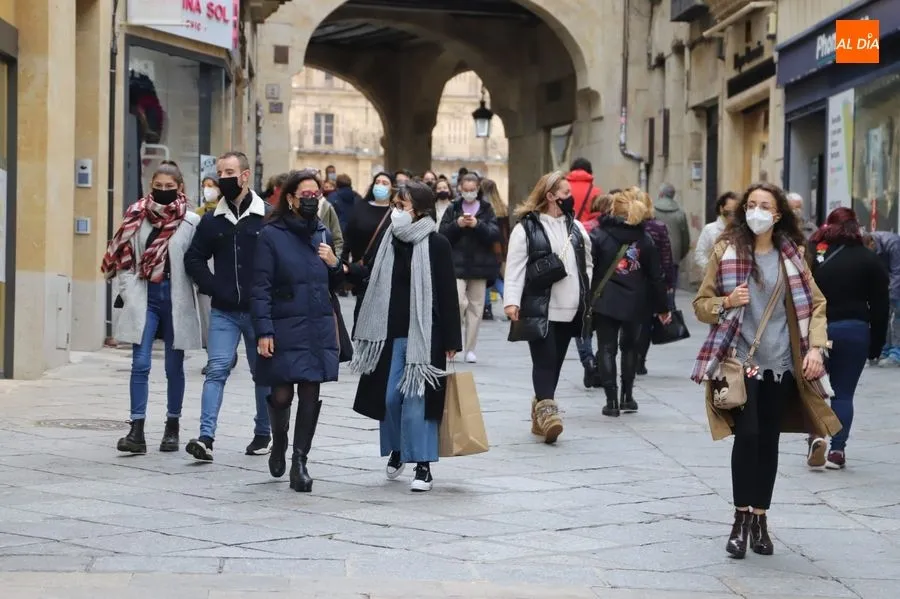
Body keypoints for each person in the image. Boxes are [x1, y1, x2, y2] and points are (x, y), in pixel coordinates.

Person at [692, 182, 840, 559]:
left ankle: (760, 518)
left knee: (768, 441)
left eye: (765, 205)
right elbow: (701, 304)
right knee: (748, 436)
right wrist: (726, 301)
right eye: (751, 204)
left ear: (777, 215)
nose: (756, 210)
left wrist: (817, 348)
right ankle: (740, 519)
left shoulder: (792, 255)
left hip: (783, 364)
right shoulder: (725, 251)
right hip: (740, 362)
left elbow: (817, 304)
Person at [350, 181, 461, 492]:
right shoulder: (387, 240)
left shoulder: (437, 244)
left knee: (418, 401)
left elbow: (447, 293)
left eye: (401, 205)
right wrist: (340, 268)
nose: (395, 211)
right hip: (387, 333)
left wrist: (452, 339)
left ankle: (423, 465)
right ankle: (399, 447)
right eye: (394, 205)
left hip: (425, 335)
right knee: (389, 398)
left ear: (420, 210)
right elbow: (369, 276)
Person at [252, 170, 343, 493]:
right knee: (281, 393)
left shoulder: (322, 233)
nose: (310, 200)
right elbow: (259, 287)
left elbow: (336, 285)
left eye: (315, 194)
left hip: (316, 324)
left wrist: (334, 263)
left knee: (310, 391)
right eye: (304, 194)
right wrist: (264, 330)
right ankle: (279, 442)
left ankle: (299, 461)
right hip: (282, 324)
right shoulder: (270, 235)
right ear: (290, 198)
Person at [101, 162, 202, 454]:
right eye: (159, 186)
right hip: (145, 295)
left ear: (180, 188)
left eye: (171, 187)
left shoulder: (192, 222)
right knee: (140, 363)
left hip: (177, 297)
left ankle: (172, 427)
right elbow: (123, 257)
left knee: (174, 366)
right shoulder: (136, 217)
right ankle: (137, 430)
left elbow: (197, 262)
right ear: (151, 187)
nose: (165, 192)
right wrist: (128, 289)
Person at [183, 151, 272, 461]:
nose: (224, 178)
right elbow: (193, 258)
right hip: (224, 311)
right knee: (217, 370)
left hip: (260, 312)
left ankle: (263, 433)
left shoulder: (267, 216)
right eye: (220, 172)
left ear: (245, 176)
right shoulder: (212, 220)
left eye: (230, 171)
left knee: (262, 374)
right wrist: (212, 287)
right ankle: (206, 437)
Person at [504, 171, 592, 444]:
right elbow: (515, 268)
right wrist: (511, 301)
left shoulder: (577, 228)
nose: (570, 197)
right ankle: (549, 413)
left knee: (554, 362)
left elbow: (587, 263)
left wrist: (584, 293)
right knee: (543, 360)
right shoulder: (526, 228)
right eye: (565, 192)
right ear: (551, 196)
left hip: (570, 306)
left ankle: (540, 410)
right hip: (539, 306)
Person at [809, 208, 888, 470]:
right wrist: (876, 344)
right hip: (854, 330)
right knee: (843, 394)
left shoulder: (817, 255)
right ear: (857, 229)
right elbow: (880, 306)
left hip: (819, 330)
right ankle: (837, 451)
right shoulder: (869, 259)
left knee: (816, 390)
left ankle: (816, 436)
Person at [590, 190, 670, 417]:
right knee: (630, 348)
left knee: (606, 347)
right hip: (637, 302)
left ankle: (611, 401)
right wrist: (663, 308)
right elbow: (656, 277)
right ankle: (628, 397)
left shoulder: (599, 235)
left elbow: (590, 270)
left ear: (612, 210)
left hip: (605, 301)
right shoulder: (644, 240)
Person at [439, 173, 501, 363]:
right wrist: (457, 224)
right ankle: (453, 344)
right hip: (456, 264)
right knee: (457, 302)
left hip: (480, 265)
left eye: (472, 190)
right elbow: (442, 233)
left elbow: (494, 233)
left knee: (476, 307)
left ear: (478, 189)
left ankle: (470, 348)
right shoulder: (453, 207)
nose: (468, 193)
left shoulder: (487, 209)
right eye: (465, 190)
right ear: (459, 189)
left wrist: (477, 225)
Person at [630, 187, 675, 378]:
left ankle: (630, 355)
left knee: (632, 321)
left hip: (630, 279)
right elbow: (666, 256)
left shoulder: (626, 226)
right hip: (652, 280)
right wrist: (669, 282)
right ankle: (640, 359)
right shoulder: (658, 227)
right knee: (647, 321)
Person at [343, 171, 394, 313]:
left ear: (392, 188)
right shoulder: (361, 207)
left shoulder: (395, 212)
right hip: (362, 270)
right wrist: (344, 261)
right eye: (377, 182)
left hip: (386, 271)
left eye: (385, 183)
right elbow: (348, 236)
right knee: (361, 312)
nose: (380, 186)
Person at [864, 231, 900, 366]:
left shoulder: (893, 244)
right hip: (889, 284)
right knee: (886, 318)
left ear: (872, 243)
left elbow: (898, 272)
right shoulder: (871, 243)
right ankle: (884, 350)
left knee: (896, 319)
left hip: (897, 285)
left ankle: (896, 353)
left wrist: (892, 297)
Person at [480, 178, 509, 321]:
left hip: (486, 248)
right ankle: (509, 302)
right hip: (500, 249)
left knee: (485, 279)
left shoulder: (483, 208)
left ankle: (487, 308)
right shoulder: (502, 207)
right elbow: (505, 233)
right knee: (498, 278)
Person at [655, 183, 690, 295]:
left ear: (660, 194)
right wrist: (680, 255)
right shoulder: (680, 212)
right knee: (671, 287)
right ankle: (670, 307)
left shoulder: (652, 210)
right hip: (673, 254)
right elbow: (685, 239)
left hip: (655, 252)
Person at [695, 191, 739, 272]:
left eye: (735, 211)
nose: (732, 214)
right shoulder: (709, 229)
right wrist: (710, 268)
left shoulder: (740, 229)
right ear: (721, 208)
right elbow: (699, 254)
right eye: (729, 210)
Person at [328, 173, 359, 237]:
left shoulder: (332, 197)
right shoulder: (358, 197)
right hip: (355, 232)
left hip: (338, 232)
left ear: (337, 184)